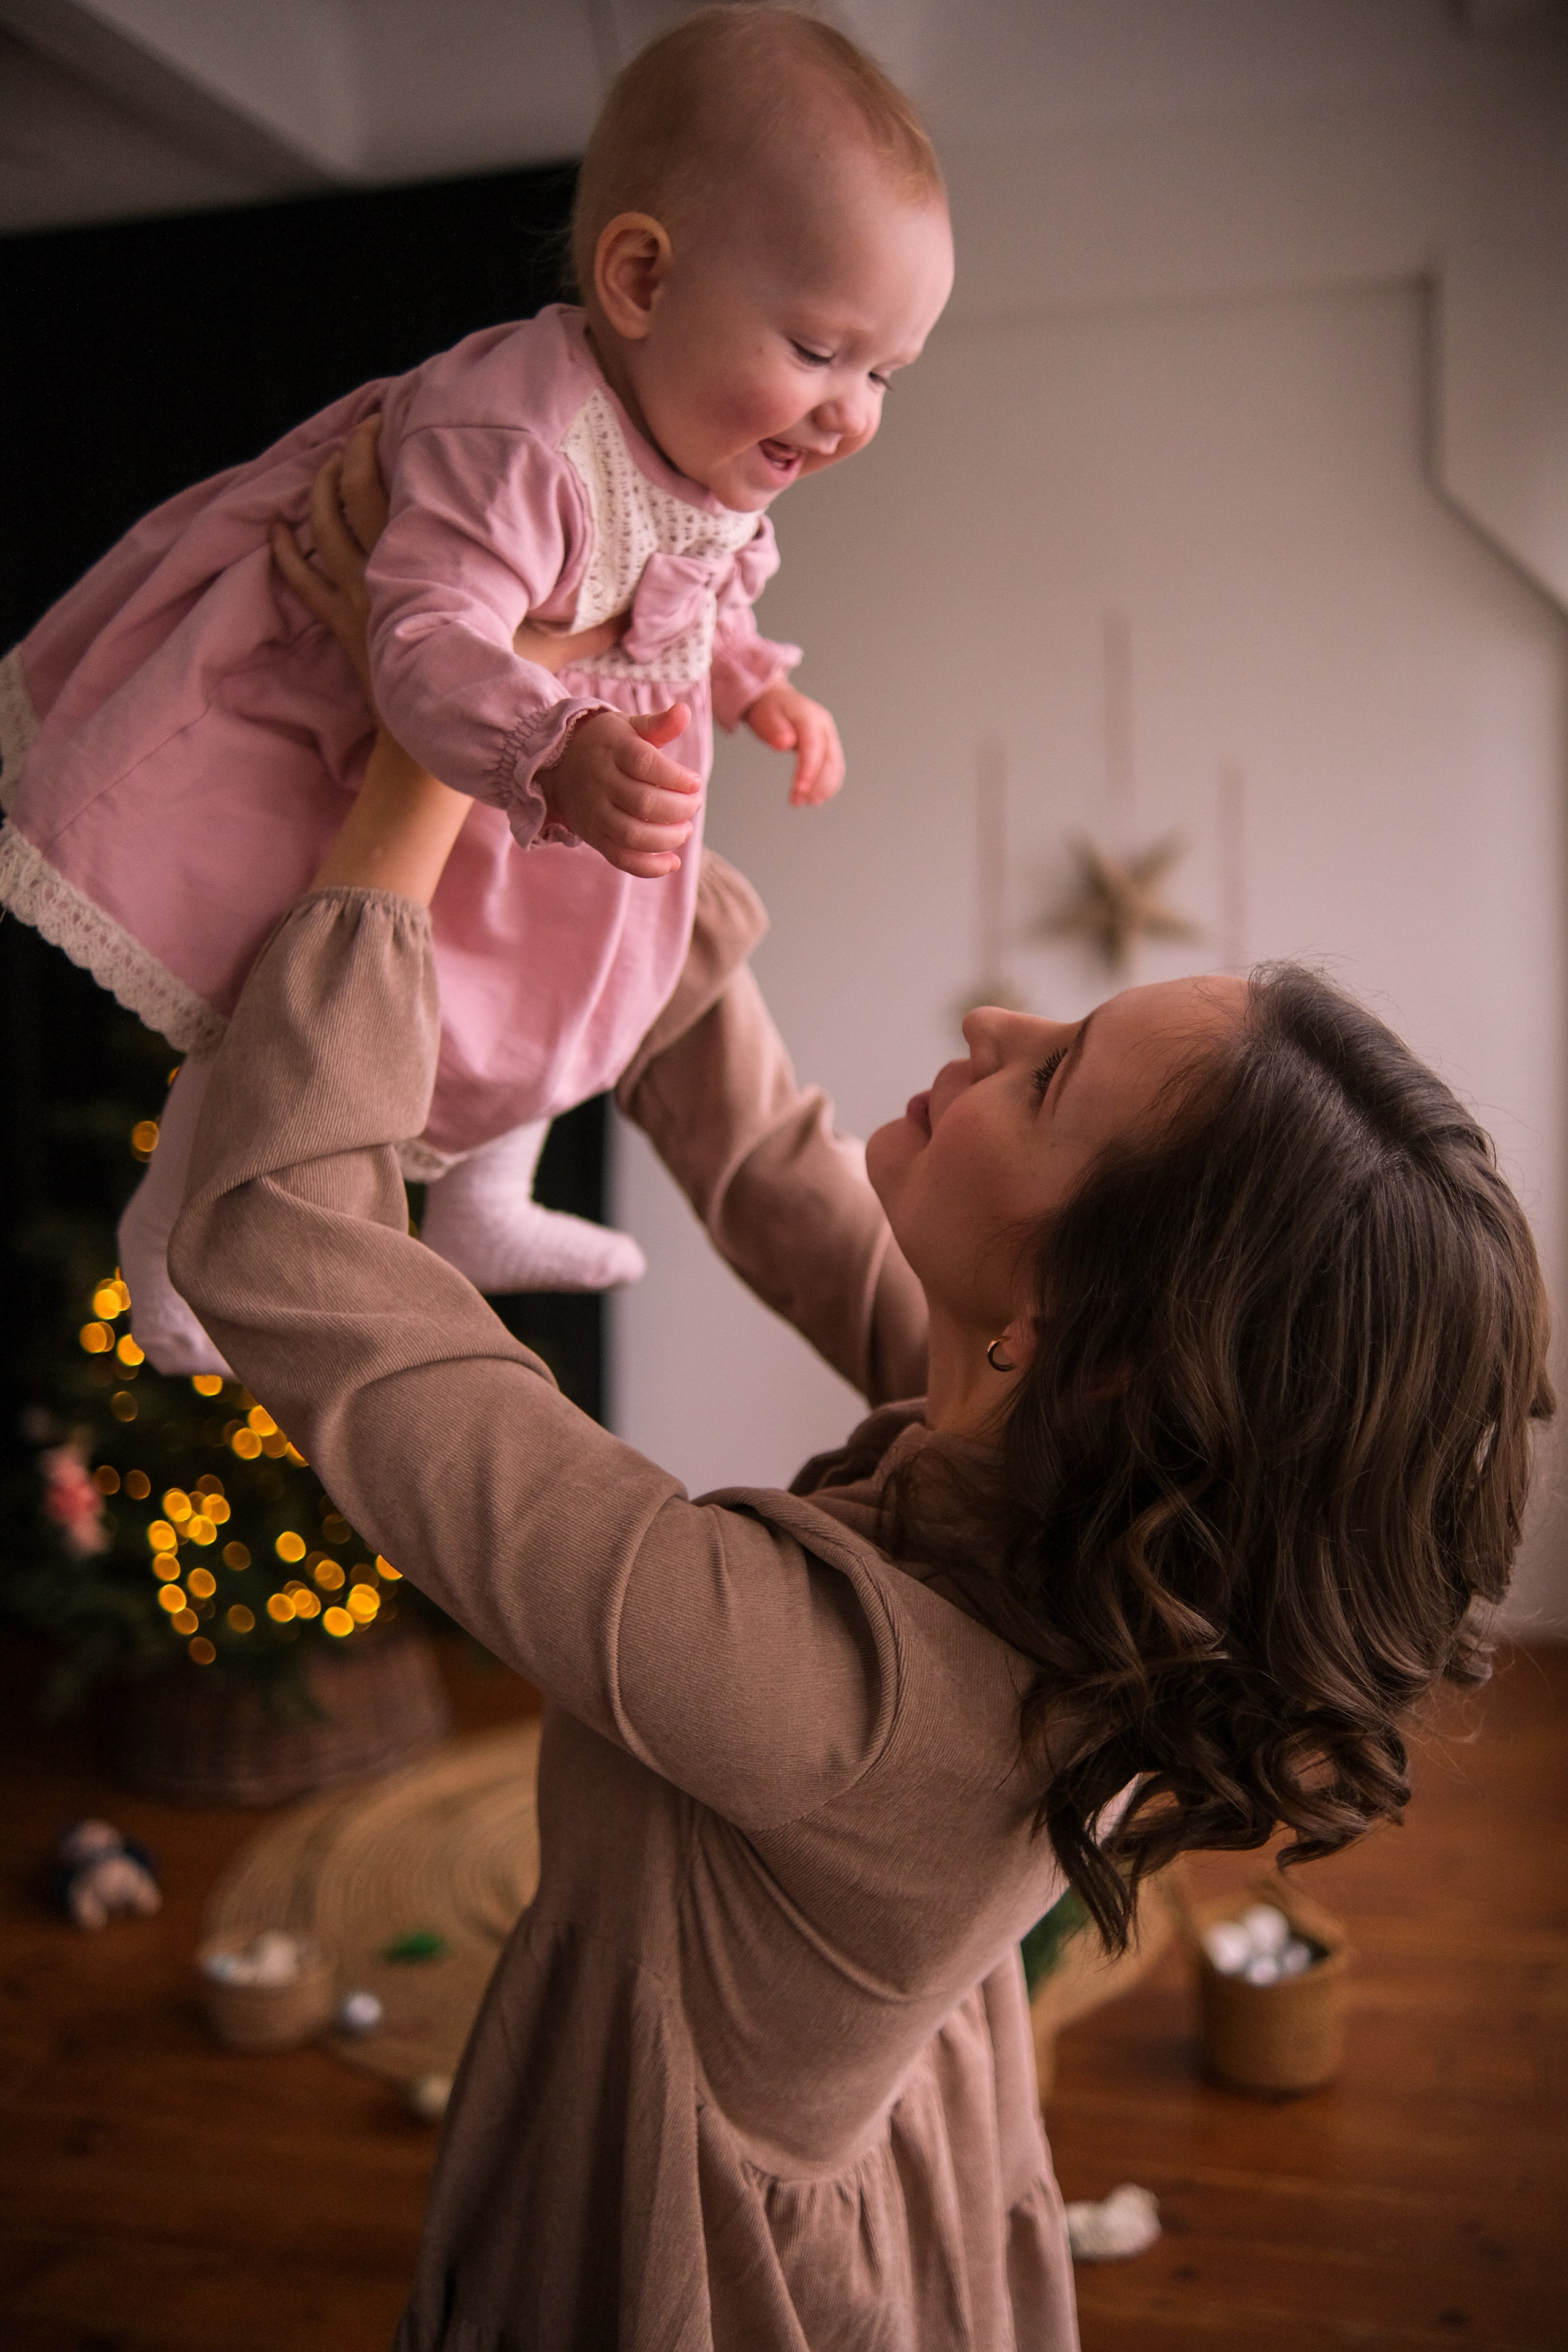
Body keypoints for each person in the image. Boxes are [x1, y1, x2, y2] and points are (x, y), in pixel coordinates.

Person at [164, 461, 1552, 2351]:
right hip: (887, 2128)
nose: (988, 1024)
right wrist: (561, 729)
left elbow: (290, 1247)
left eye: (1051, 1079)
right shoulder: (1076, 1478)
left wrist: (417, 762)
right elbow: (748, 1145)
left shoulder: (830, 1697)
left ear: (1078, 1326)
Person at [0, 5, 954, 1374]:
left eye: (884, 373)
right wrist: (556, 744)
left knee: (568, 972)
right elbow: (425, 637)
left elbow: (692, 601)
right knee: (279, 986)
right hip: (352, 741)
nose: (849, 412)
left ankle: (484, 1201)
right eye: (818, 351)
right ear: (637, 278)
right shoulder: (518, 433)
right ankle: (171, 1232)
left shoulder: (703, 463)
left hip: (519, 769)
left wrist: (754, 689)